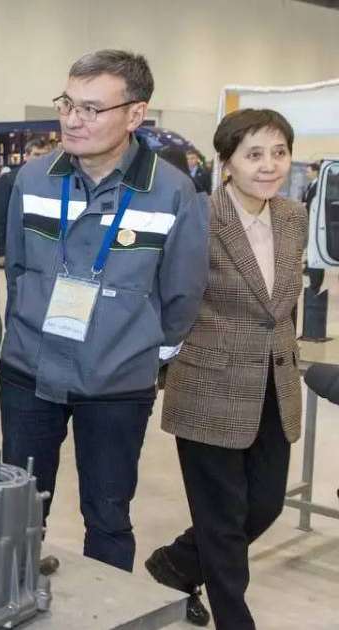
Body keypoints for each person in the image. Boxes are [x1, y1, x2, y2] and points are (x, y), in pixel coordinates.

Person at [0, 49, 209, 572]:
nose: (73, 119)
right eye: (67, 103)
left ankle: (108, 609)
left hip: (118, 384)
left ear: (136, 114)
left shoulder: (172, 193)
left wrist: (142, 351)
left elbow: (182, 294)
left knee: (109, 517)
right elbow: (17, 270)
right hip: (29, 373)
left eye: (92, 109)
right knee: (17, 510)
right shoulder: (33, 180)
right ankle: (11, 600)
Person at [145, 109, 305, 630]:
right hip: (208, 385)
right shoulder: (199, 215)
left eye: (279, 153)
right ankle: (235, 620)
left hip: (274, 385)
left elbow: (281, 306)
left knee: (265, 505)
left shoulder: (293, 217)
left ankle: (176, 563)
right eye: (254, 154)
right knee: (222, 520)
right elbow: (170, 294)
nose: (269, 165)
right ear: (227, 162)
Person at [0, 137, 53, 262]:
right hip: (16, 247)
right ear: (26, 156)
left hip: (44, 250)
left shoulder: (54, 181)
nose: (41, 159)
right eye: (37, 155)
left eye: (45, 155)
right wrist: (0, 251)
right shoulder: (10, 180)